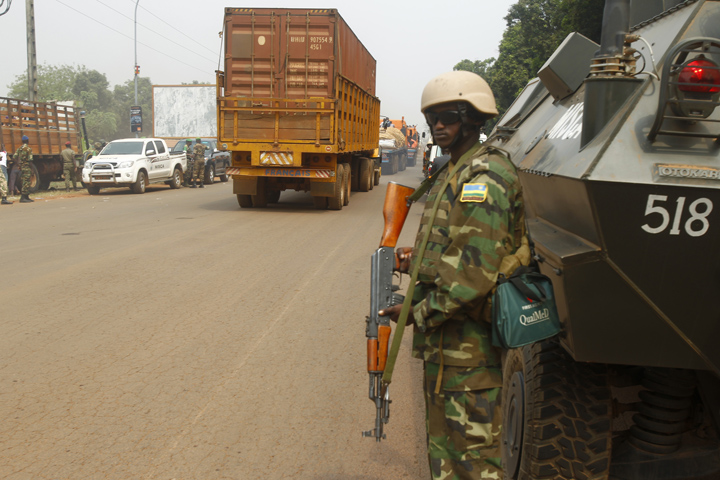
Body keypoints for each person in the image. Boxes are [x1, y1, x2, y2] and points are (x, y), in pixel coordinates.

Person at [379, 71, 528, 479]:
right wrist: (412, 262)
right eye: (433, 119)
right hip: (448, 352)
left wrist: (416, 313)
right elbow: (452, 249)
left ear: (474, 119)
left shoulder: (484, 177)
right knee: (446, 459)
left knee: (474, 463)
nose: (438, 126)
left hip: (471, 356)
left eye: (449, 116)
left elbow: (472, 276)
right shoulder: (454, 172)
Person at [14, 135, 34, 203]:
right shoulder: (28, 149)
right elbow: (30, 160)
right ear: (28, 141)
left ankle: (26, 197)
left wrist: (18, 164)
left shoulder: (19, 148)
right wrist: (32, 169)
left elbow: (14, 157)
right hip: (27, 166)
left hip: (22, 167)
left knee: (24, 181)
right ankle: (23, 197)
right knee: (27, 182)